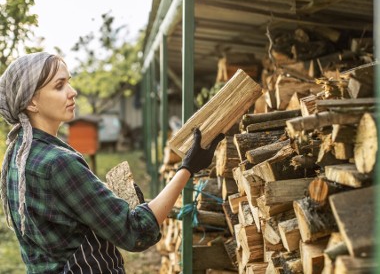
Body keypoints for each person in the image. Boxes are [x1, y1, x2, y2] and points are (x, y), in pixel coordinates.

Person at [0, 52, 224, 273]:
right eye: (59, 86)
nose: (73, 92)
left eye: (69, 82)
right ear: (31, 102)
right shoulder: (58, 163)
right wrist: (188, 167)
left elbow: (62, 219)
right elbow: (136, 233)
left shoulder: (16, 154)